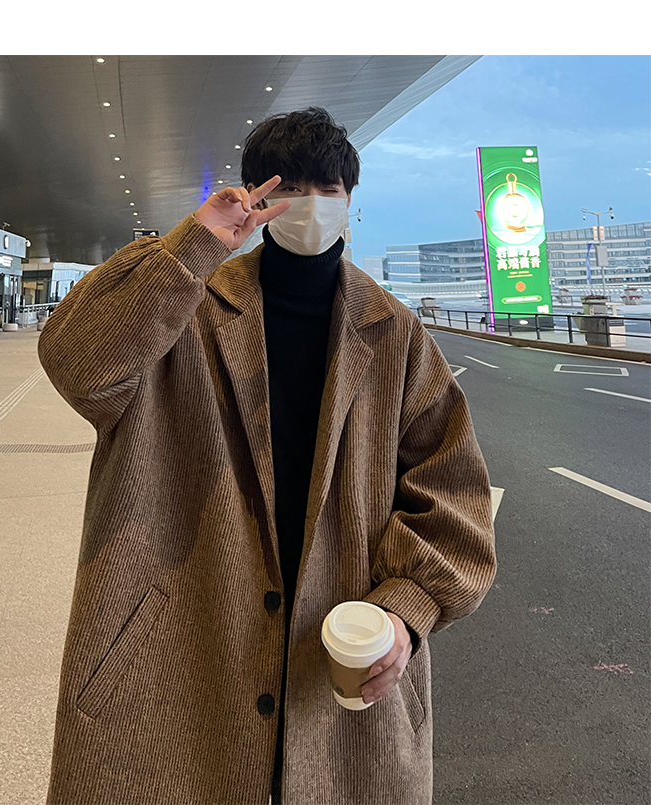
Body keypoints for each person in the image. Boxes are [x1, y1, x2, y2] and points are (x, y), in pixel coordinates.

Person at [38, 107, 496, 805]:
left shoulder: (394, 333)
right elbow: (78, 366)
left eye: (328, 188)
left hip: (340, 659)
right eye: (292, 188)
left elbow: (453, 492)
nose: (311, 205)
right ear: (255, 198)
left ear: (349, 199)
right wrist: (190, 249)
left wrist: (404, 612)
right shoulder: (184, 308)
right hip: (180, 649)